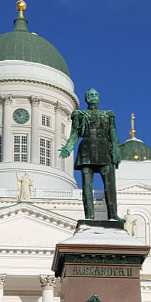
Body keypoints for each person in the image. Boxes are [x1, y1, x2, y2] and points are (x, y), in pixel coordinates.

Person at [59, 88, 121, 221]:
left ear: (98, 97)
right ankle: (89, 216)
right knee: (87, 185)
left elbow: (113, 134)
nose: (93, 97)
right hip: (86, 149)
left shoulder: (107, 115)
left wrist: (116, 151)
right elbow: (75, 134)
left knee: (110, 185)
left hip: (104, 149)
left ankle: (113, 215)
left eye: (95, 95)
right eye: (90, 95)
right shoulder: (79, 115)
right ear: (86, 98)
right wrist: (68, 148)